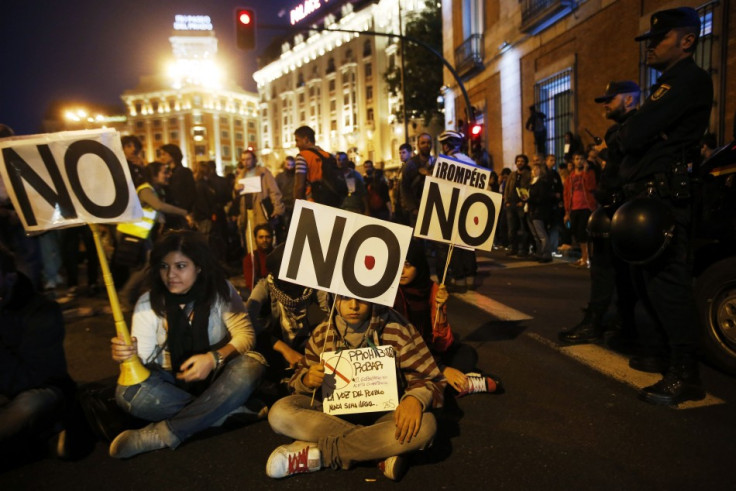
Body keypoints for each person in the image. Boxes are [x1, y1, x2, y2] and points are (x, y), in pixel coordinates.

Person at [607, 7, 713, 405]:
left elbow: (632, 135)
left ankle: (685, 374)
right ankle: (663, 354)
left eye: (659, 38)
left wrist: (636, 130)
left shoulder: (687, 80)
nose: (650, 46)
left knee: (668, 285)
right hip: (650, 196)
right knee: (648, 282)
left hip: (665, 198)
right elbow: (631, 134)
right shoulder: (667, 85)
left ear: (687, 40)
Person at [108, 231, 266, 458]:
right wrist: (128, 355)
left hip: (219, 376)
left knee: (252, 365)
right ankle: (225, 412)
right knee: (127, 393)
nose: (170, 275)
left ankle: (162, 434)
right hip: (170, 383)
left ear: (199, 267)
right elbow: (143, 363)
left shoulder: (220, 290)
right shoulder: (148, 302)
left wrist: (213, 359)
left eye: (180, 266)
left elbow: (245, 335)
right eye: (164, 266)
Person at [265, 295, 444, 481]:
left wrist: (415, 398)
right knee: (279, 412)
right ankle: (378, 451)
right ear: (332, 299)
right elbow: (297, 381)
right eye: (344, 298)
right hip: (333, 415)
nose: (354, 306)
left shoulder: (398, 329)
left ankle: (319, 455)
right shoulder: (322, 334)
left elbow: (430, 377)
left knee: (426, 426)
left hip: (385, 415)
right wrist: (307, 380)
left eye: (361, 299)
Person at [559, 81, 641, 346]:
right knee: (613, 273)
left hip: (629, 213)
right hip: (618, 210)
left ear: (629, 100)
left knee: (616, 273)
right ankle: (621, 326)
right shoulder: (622, 130)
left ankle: (603, 324)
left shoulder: (637, 128)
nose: (605, 104)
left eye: (611, 99)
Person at [393, 241, 502, 396]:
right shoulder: (390, 292)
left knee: (467, 354)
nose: (401, 271)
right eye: (398, 265)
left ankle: (448, 383)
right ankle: (462, 384)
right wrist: (442, 368)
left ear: (419, 265)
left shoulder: (432, 289)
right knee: (400, 378)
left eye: (408, 265)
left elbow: (442, 341)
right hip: (405, 358)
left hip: (431, 352)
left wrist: (441, 311)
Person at [0, 244, 76, 465]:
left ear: (11, 278)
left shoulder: (42, 312)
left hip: (40, 389)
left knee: (28, 406)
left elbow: (36, 376)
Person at [246, 245, 329, 394]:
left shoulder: (310, 285)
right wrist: (285, 350)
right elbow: (247, 319)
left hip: (305, 346)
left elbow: (330, 309)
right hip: (275, 347)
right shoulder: (265, 286)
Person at [437, 130, 478, 292]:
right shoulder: (471, 161)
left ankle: (460, 279)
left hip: (452, 208)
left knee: (454, 246)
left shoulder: (446, 162)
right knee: (468, 245)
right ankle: (471, 278)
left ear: (447, 145)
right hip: (469, 208)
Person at [233, 150, 285, 254]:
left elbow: (274, 191)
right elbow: (235, 196)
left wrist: (277, 208)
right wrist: (236, 190)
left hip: (262, 211)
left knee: (264, 242)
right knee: (251, 242)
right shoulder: (241, 175)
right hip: (247, 214)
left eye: (248, 159)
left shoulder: (263, 173)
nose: (246, 162)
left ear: (254, 160)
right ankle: (254, 267)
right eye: (243, 159)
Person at [293, 125, 344, 207]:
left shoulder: (302, 156)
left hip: (312, 202)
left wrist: (297, 205)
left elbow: (299, 186)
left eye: (297, 140)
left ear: (306, 139)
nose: (296, 145)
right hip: (332, 202)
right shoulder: (328, 155)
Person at [563, 152, 597, 267]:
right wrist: (567, 212)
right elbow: (566, 194)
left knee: (585, 234)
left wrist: (586, 172)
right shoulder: (570, 176)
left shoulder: (589, 173)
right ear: (573, 161)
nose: (579, 161)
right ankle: (584, 257)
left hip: (586, 207)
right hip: (574, 208)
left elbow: (591, 187)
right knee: (578, 234)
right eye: (577, 158)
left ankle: (588, 258)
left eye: (581, 158)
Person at [159, 144, 195, 230]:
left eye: (164, 154)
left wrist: (187, 212)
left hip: (182, 215)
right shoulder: (166, 174)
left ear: (172, 155)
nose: (162, 157)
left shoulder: (184, 172)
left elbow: (191, 194)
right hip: (170, 214)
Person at [503, 154, 532, 257]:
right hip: (511, 204)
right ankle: (513, 248)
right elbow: (506, 188)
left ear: (525, 163)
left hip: (521, 205)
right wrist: (506, 201)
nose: (520, 163)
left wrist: (523, 202)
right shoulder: (512, 175)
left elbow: (529, 189)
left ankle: (524, 249)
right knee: (511, 229)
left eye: (522, 161)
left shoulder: (528, 175)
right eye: (518, 161)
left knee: (523, 228)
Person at [526, 162, 554, 263]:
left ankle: (546, 254)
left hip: (538, 211)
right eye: (533, 169)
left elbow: (541, 198)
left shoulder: (541, 183)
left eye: (536, 169)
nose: (533, 171)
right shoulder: (531, 182)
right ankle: (539, 252)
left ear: (541, 171)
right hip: (531, 210)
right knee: (535, 235)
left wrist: (529, 199)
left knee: (541, 234)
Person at [242, 224, 274, 292]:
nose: (264, 240)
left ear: (272, 238)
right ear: (256, 239)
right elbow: (250, 285)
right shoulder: (250, 258)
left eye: (267, 237)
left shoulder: (278, 255)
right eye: (261, 237)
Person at [274, 156, 296, 243]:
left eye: (292, 165)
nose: (290, 167)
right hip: (284, 206)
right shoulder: (280, 177)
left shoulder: (297, 176)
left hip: (294, 205)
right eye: (288, 165)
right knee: (284, 229)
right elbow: (275, 191)